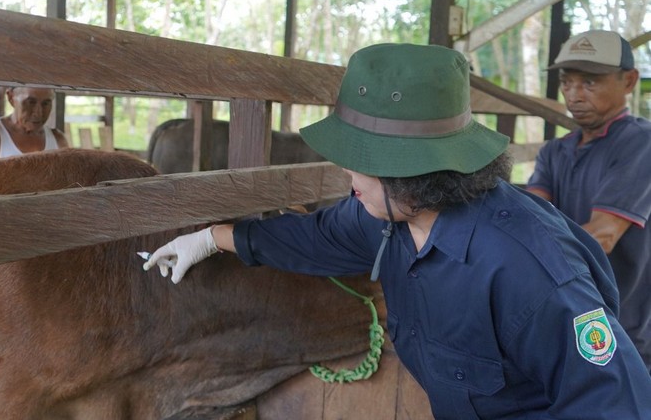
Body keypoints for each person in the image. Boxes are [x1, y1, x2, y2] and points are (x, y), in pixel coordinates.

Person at [142, 43, 651, 418]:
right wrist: (213, 237)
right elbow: (314, 237)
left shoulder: (532, 274)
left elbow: (614, 403)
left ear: (412, 170)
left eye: (359, 162)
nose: (347, 176)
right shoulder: (388, 218)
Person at [527, 29, 651, 373]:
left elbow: (602, 236)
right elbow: (527, 219)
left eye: (590, 83)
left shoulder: (641, 143)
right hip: (567, 315)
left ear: (628, 81)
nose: (574, 95)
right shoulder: (556, 151)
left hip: (623, 324)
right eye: (567, 82)